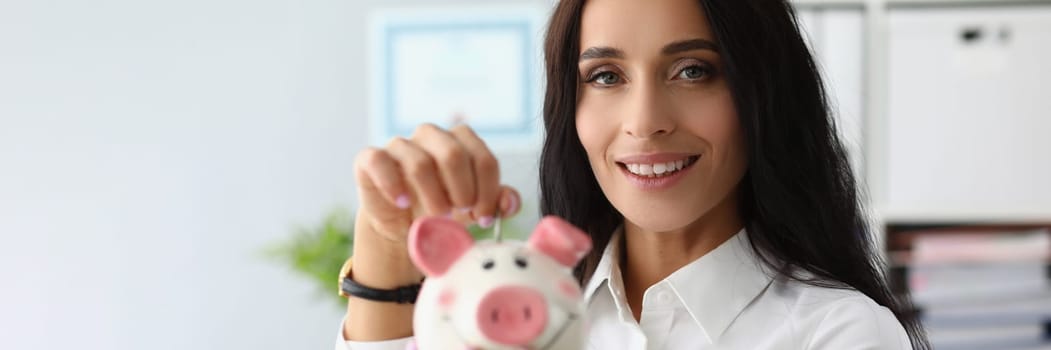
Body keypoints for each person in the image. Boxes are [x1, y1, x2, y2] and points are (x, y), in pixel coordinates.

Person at [337, 0, 931, 348]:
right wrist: (385, 246)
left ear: (763, 94)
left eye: (694, 71)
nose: (644, 123)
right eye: (606, 77)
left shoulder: (840, 334)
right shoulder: (515, 310)